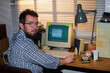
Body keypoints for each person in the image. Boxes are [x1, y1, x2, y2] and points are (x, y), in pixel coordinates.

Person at [8, 9, 74, 73]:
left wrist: (35, 51)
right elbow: (48, 62)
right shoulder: (24, 45)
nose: (35, 27)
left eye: (36, 24)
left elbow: (25, 51)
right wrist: (65, 60)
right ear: (22, 25)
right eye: (30, 24)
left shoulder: (17, 36)